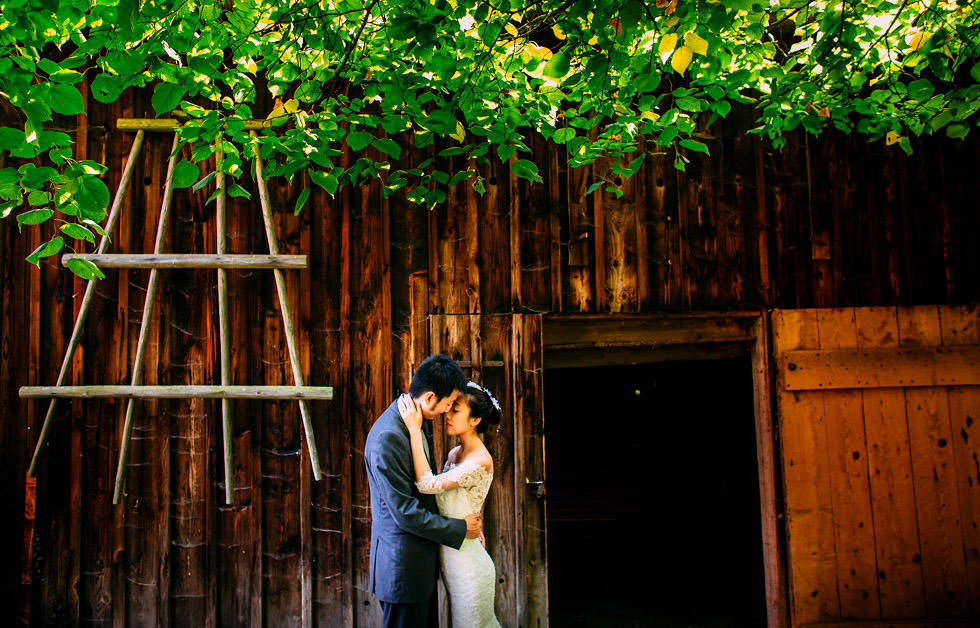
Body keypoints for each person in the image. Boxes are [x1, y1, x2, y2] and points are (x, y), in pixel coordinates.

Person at [365, 354, 483, 628]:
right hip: (403, 570)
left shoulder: (415, 424)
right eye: (449, 403)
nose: (448, 410)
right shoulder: (389, 438)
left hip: (418, 567)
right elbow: (405, 513)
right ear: (430, 397)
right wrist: (459, 528)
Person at [397, 380, 503, 628]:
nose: (448, 414)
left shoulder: (480, 460)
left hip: (470, 568)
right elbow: (458, 500)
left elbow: (426, 485)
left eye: (456, 411)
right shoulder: (454, 454)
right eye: (450, 408)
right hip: (452, 559)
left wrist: (414, 430)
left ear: (475, 420)